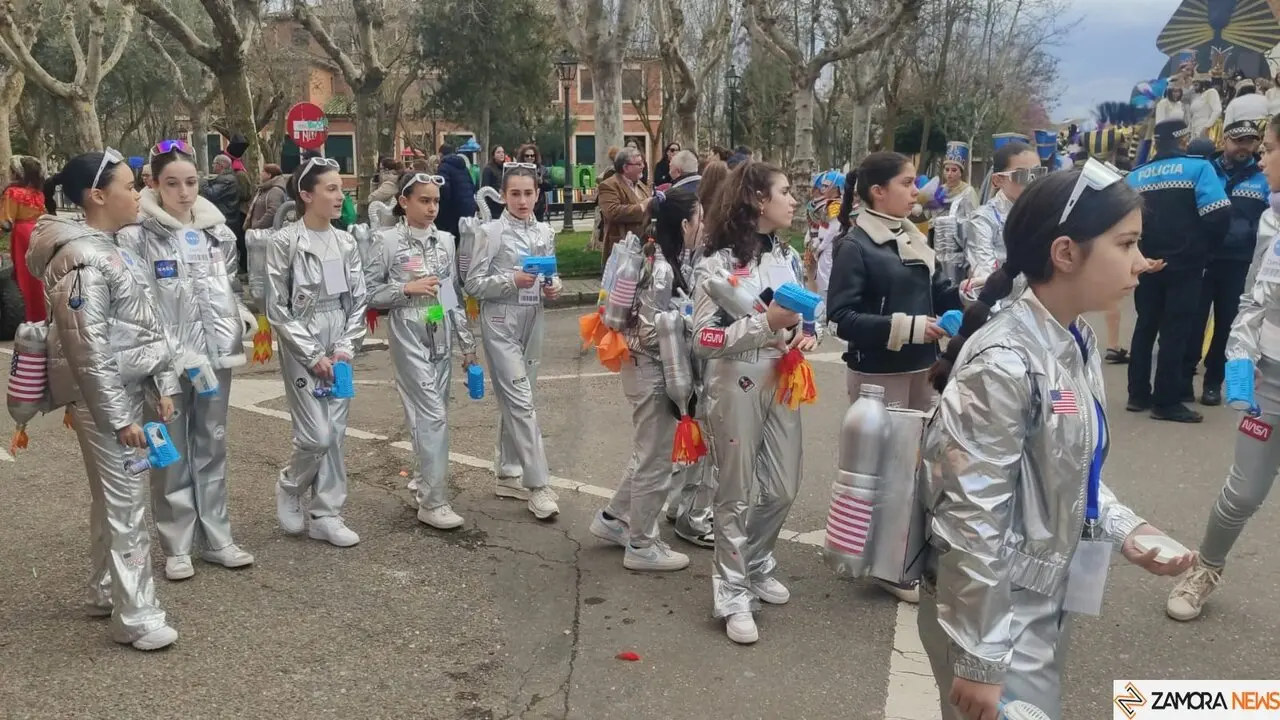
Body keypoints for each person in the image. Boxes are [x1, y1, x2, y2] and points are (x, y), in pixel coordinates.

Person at [919, 162, 1195, 720]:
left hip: (1045, 593)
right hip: (997, 610)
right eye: (1127, 244)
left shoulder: (1074, 340)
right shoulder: (1004, 363)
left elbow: (1064, 469)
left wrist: (1124, 526)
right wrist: (981, 654)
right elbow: (970, 517)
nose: (1141, 262)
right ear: (1065, 252)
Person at [30, 149, 182, 650]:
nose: (139, 194)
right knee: (126, 505)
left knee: (115, 499)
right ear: (97, 196)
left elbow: (145, 329)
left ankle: (105, 591)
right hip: (107, 403)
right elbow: (87, 348)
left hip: (128, 392)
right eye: (130, 186)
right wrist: (118, 419)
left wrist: (161, 384)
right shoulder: (82, 258)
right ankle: (136, 616)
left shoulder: (113, 249)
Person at [115, 140, 254, 580]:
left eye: (191, 182)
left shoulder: (218, 233)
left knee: (212, 443)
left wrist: (240, 319)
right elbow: (136, 307)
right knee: (168, 449)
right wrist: (167, 356)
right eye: (172, 183)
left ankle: (217, 536)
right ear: (153, 184)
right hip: (165, 365)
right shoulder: (135, 237)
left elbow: (229, 287)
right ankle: (177, 544)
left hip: (216, 359)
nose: (184, 192)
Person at [691, 160, 813, 645]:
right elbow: (702, 338)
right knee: (735, 491)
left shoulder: (789, 255)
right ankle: (732, 592)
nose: (794, 199)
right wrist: (766, 324)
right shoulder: (716, 263)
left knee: (783, 487)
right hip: (734, 382)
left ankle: (757, 561)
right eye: (784, 191)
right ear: (758, 200)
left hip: (783, 378)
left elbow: (807, 316)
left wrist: (807, 333)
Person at [1165, 113, 1280, 622]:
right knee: (1243, 492)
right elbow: (1255, 297)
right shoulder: (1274, 219)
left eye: (1269, 148)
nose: (1263, 158)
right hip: (1271, 381)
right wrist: (1239, 359)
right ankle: (1205, 569)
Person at [591, 189, 702, 571]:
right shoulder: (662, 268)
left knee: (648, 453)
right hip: (652, 370)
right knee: (655, 460)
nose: (703, 227)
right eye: (699, 219)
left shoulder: (660, 259)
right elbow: (649, 330)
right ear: (685, 224)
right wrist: (690, 323)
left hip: (644, 367)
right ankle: (642, 545)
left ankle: (614, 518)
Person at [266, 156, 369, 547]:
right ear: (306, 195)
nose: (340, 196)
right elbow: (277, 307)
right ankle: (291, 484)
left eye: (341, 188)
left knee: (336, 431)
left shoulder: (346, 242)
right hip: (301, 337)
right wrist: (311, 354)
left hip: (339, 335)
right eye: (331, 189)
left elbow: (357, 299)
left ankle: (327, 513)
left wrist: (345, 346)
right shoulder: (285, 242)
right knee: (316, 435)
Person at [365, 171, 477, 529]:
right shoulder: (385, 241)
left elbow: (451, 293)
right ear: (404, 201)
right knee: (432, 413)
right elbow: (368, 292)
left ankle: (423, 476)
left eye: (436, 201)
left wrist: (467, 345)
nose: (432, 208)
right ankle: (434, 501)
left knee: (431, 411)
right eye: (424, 200)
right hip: (407, 329)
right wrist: (405, 289)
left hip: (439, 326)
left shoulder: (445, 240)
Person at [465, 164, 563, 520]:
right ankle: (538, 485)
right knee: (521, 400)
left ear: (538, 194)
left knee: (521, 397)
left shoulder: (545, 231)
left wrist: (553, 286)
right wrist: (511, 280)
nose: (522, 201)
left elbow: (552, 274)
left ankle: (509, 471)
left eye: (528, 193)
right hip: (500, 323)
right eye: (515, 194)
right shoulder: (490, 233)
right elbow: (473, 283)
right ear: (503, 196)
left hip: (533, 320)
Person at [1125, 118, 1231, 423]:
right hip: (1185, 264)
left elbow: (1122, 222)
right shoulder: (1198, 168)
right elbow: (1219, 213)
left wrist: (1140, 256)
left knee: (1145, 326)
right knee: (1175, 332)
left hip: (1146, 264)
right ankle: (1166, 401)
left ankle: (1137, 395)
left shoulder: (1135, 176)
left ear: (1157, 143)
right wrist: (1206, 250)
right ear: (1184, 141)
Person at [1185, 119, 1269, 406]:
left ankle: (1212, 383)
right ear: (1225, 141)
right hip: (1203, 259)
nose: (1244, 147)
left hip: (1239, 263)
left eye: (1250, 141)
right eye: (1238, 141)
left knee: (1227, 326)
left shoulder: (1263, 177)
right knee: (1193, 322)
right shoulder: (1206, 170)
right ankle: (1184, 379)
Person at [965, 141, 1044, 282]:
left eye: (1038, 173)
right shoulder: (983, 220)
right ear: (997, 180)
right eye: (1021, 175)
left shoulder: (1046, 213)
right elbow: (986, 280)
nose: (1032, 181)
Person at [2, 155, 48, 321]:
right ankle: (41, 313)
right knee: (37, 275)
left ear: (17, 173)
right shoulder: (39, 194)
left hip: (21, 235)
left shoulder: (13, 192)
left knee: (22, 274)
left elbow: (5, 221)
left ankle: (26, 314)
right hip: (38, 232)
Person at [597, 147, 656, 260]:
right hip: (621, 249)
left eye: (642, 163)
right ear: (625, 167)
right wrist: (642, 207)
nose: (643, 166)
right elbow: (612, 212)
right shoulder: (608, 185)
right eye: (638, 164)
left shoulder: (642, 185)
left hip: (643, 247)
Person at [804, 170, 843, 297]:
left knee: (826, 278)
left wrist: (822, 246)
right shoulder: (829, 203)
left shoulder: (835, 204)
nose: (823, 188)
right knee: (817, 276)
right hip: (819, 243)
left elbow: (833, 228)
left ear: (836, 188)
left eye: (826, 186)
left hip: (828, 245)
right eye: (823, 185)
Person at [436, 144, 479, 239]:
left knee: (449, 238)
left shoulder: (443, 167)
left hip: (453, 210)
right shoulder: (463, 167)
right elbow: (472, 186)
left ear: (440, 154)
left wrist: (441, 209)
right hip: (468, 209)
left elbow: (443, 189)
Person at [513, 143, 554, 222]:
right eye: (527, 156)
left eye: (532, 156)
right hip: (522, 204)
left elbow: (550, 186)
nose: (530, 158)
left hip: (538, 206)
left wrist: (542, 182)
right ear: (522, 157)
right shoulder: (517, 169)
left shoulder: (542, 169)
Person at [246, 163, 288, 232]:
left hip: (266, 232)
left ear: (269, 175)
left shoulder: (275, 191)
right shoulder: (263, 189)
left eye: (263, 171)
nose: (261, 173)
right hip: (259, 232)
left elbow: (273, 212)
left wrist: (257, 226)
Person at [480, 146, 507, 218]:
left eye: (503, 152)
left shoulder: (505, 169)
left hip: (504, 205)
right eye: (498, 152)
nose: (501, 154)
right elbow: (484, 187)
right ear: (493, 155)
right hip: (493, 205)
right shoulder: (488, 169)